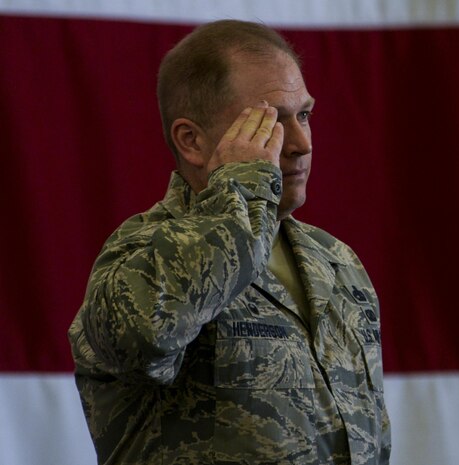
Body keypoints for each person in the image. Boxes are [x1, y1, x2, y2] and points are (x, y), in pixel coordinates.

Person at [68, 19, 391, 465]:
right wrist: (243, 187)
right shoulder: (141, 251)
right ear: (192, 141)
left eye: (304, 115)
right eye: (270, 122)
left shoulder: (336, 259)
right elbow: (145, 336)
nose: (300, 143)